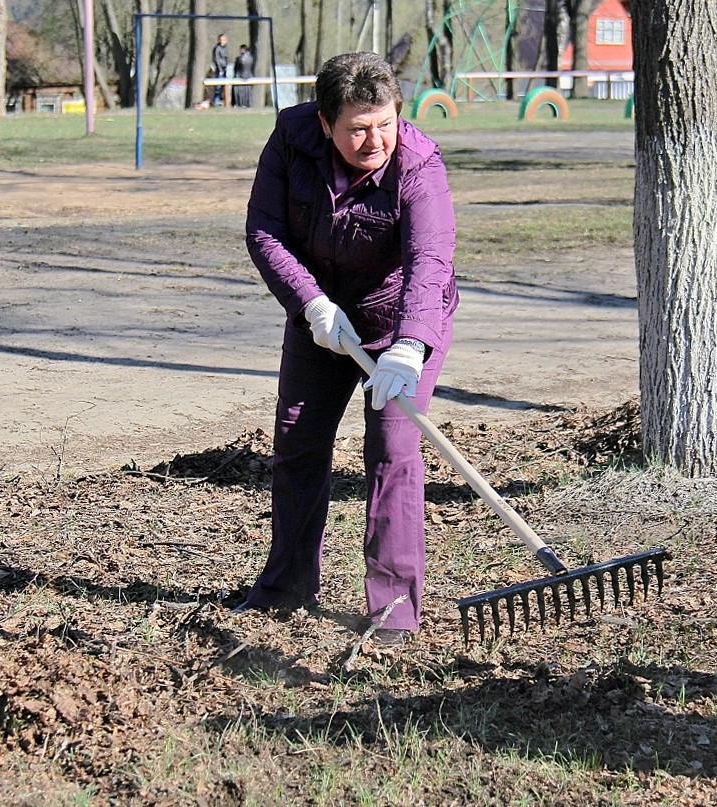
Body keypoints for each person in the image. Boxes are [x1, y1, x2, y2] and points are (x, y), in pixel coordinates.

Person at [241, 52, 458, 646]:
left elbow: (430, 260)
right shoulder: (290, 140)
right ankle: (286, 586)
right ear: (324, 122)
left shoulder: (418, 163)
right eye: (357, 128)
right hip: (321, 315)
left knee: (392, 449)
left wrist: (410, 343)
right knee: (298, 440)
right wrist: (309, 302)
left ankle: (393, 610)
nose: (374, 140)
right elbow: (265, 231)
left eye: (384, 123)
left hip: (398, 321)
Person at [211, 34, 229, 107]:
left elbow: (226, 59)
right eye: (221, 40)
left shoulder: (225, 49)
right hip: (220, 70)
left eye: (224, 40)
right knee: (218, 87)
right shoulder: (217, 48)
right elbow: (217, 60)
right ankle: (216, 103)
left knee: (223, 88)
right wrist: (220, 69)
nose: (222, 41)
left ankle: (222, 103)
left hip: (225, 69)